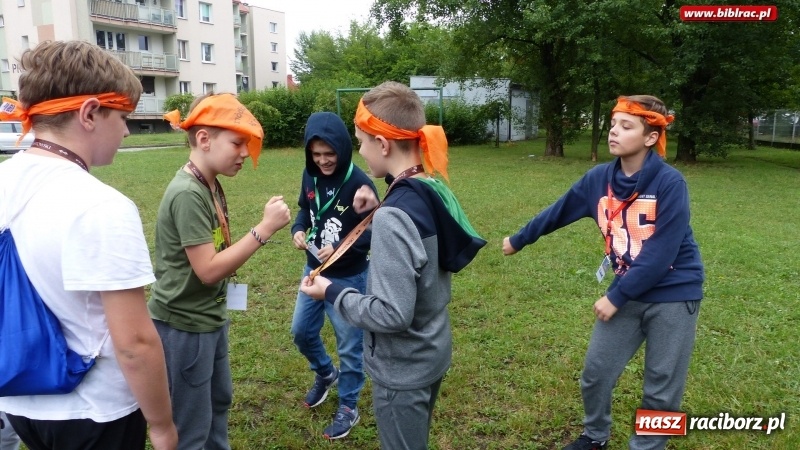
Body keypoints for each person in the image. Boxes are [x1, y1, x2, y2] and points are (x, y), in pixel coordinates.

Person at [0, 40, 177, 450]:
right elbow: (134, 344)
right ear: (90, 112)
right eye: (123, 116)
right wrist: (163, 426)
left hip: (22, 405)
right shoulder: (101, 206)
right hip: (93, 412)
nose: (127, 130)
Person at [503, 95, 704, 450]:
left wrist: (616, 296)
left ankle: (647, 447)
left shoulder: (671, 184)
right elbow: (559, 211)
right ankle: (595, 437)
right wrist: (519, 239)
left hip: (674, 292)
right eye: (613, 124)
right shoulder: (598, 179)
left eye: (626, 126)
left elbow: (661, 253)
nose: (614, 132)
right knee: (595, 375)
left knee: (661, 385)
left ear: (650, 137)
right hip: (627, 288)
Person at [300, 81, 486, 449]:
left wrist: (331, 290)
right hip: (432, 350)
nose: (360, 151)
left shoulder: (395, 215)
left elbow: (391, 314)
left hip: (403, 368)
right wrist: (380, 204)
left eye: (361, 141)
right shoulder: (428, 186)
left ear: (382, 144)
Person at [149, 93, 291, 450]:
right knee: (192, 425)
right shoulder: (187, 193)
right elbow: (208, 271)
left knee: (218, 403)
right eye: (238, 142)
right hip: (185, 325)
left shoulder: (207, 182)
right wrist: (264, 229)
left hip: (209, 317)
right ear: (204, 139)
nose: (245, 152)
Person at [290, 112, 378, 439]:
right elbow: (304, 210)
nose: (324, 161)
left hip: (349, 278)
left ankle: (349, 405)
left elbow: (373, 229)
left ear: (342, 148)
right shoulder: (309, 175)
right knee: (301, 331)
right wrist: (299, 230)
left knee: (350, 345)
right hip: (313, 271)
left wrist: (340, 247)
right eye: (317, 155)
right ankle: (326, 374)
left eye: (330, 154)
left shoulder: (360, 183)